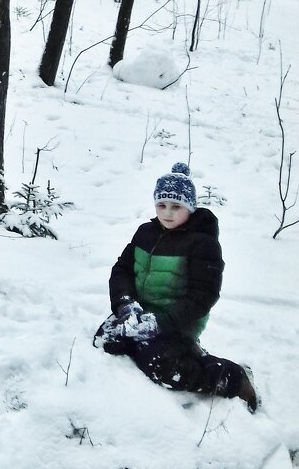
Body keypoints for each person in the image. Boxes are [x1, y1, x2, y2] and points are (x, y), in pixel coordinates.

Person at [94, 162, 258, 412]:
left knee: (164, 368)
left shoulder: (203, 244)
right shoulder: (145, 233)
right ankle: (159, 346)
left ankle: (234, 377)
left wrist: (159, 323)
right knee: (106, 339)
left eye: (176, 206)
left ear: (190, 207)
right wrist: (126, 305)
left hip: (176, 325)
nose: (167, 213)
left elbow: (203, 296)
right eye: (161, 205)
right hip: (137, 314)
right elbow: (122, 269)